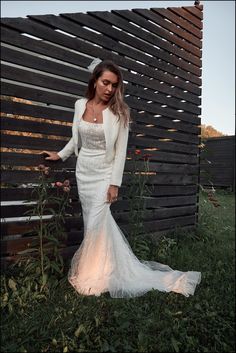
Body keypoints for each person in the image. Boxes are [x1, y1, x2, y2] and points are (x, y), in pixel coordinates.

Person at [42, 59, 201, 298]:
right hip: (83, 172)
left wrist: (114, 184)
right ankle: (100, 269)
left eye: (114, 85)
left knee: (97, 223)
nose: (109, 89)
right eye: (105, 82)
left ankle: (92, 275)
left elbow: (120, 152)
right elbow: (76, 139)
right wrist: (60, 155)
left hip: (104, 175)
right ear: (95, 80)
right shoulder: (79, 105)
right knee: (92, 224)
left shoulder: (120, 113)